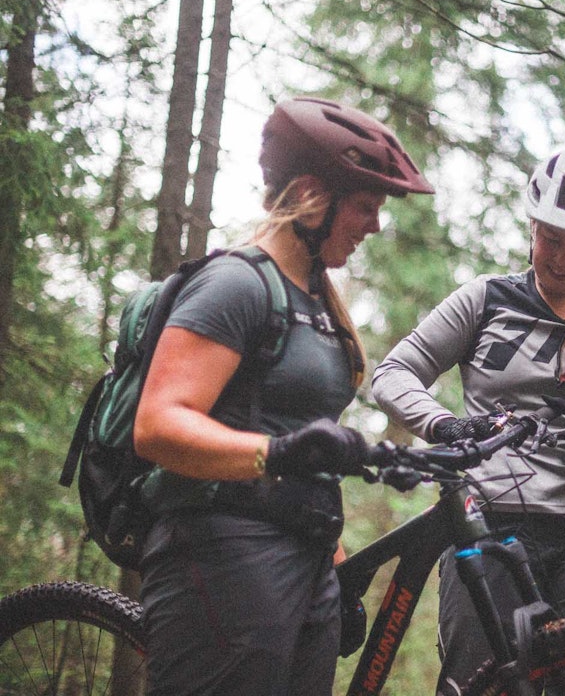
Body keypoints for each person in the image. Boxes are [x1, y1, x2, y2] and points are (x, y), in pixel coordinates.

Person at [132, 96, 434, 696]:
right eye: (365, 206)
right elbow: (158, 424)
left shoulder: (320, 304)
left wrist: (335, 554)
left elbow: (303, 436)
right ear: (311, 198)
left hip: (303, 558)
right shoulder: (236, 284)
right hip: (221, 557)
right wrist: (277, 452)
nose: (375, 225)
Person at [370, 146, 565, 695]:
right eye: (552, 239)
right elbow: (394, 372)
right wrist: (443, 425)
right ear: (532, 226)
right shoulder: (485, 300)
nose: (563, 259)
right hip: (489, 520)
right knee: (485, 685)